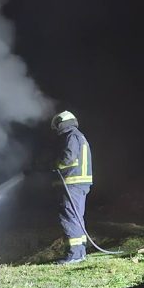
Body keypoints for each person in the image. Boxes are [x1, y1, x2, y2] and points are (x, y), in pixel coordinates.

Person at [51, 110, 93, 264]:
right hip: (78, 184)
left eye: (57, 125)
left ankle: (74, 255)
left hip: (73, 183)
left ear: (62, 122)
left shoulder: (71, 136)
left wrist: (55, 165)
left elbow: (68, 158)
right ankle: (80, 252)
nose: (56, 129)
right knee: (76, 218)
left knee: (69, 217)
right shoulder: (78, 135)